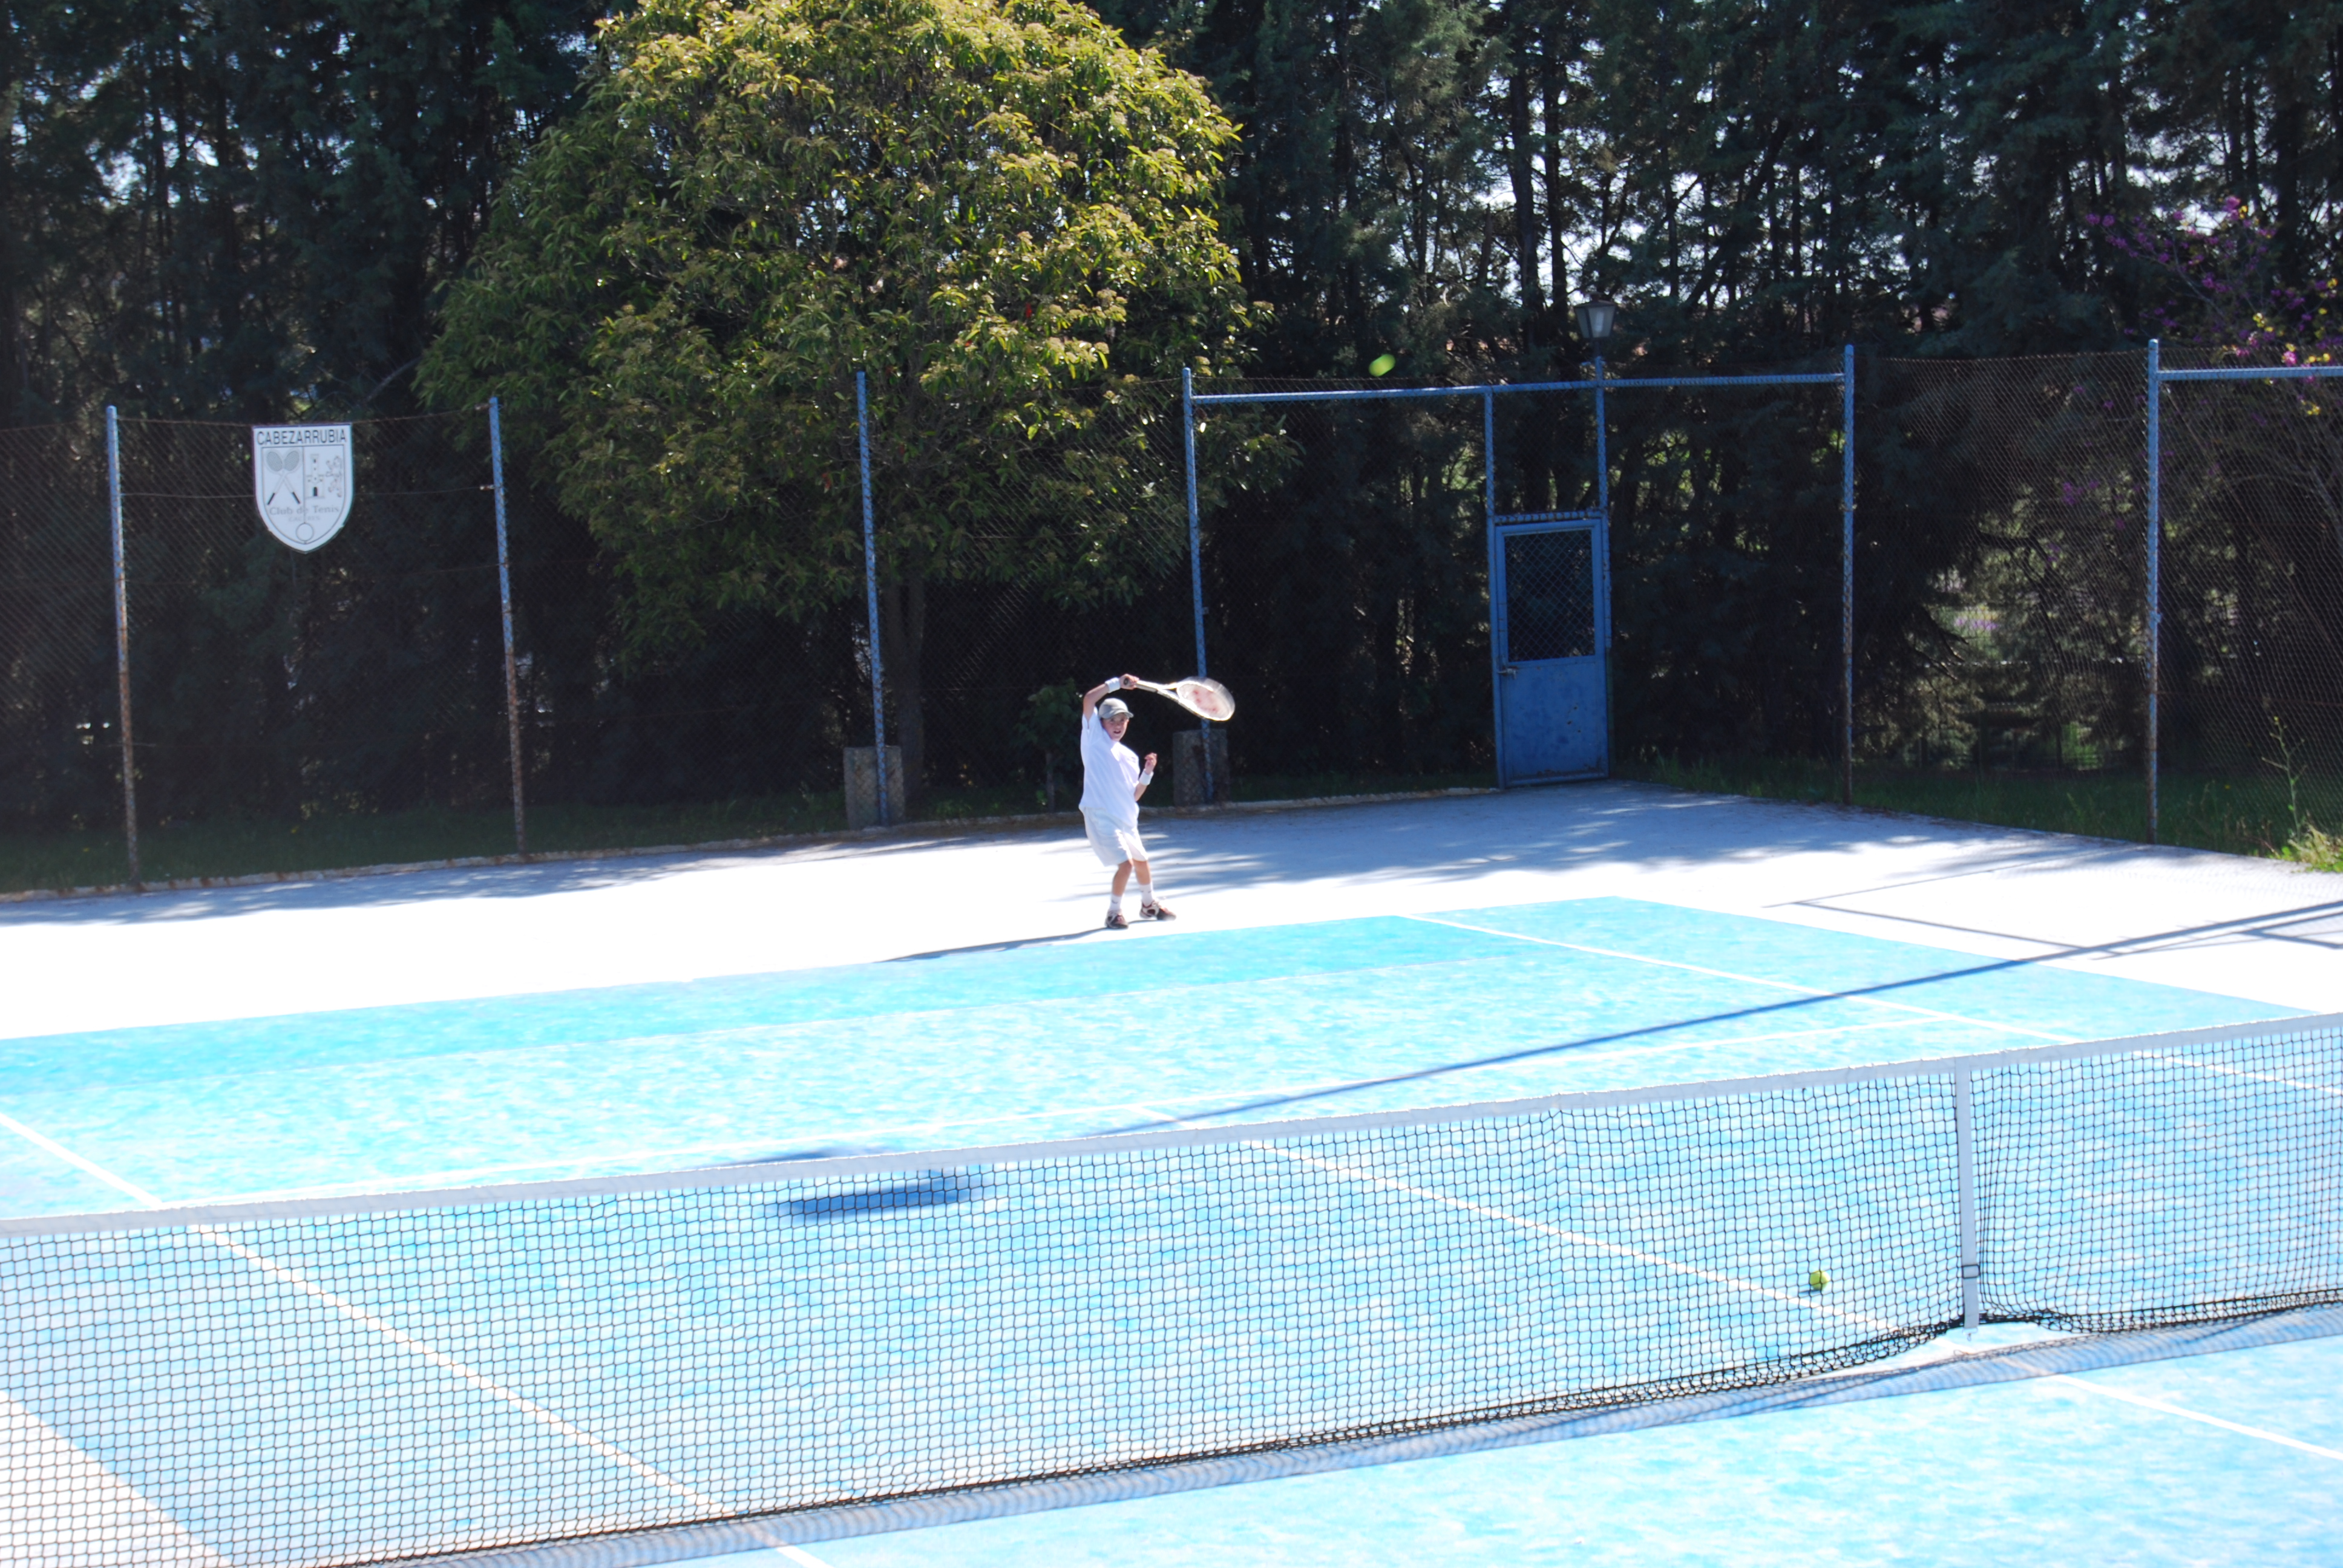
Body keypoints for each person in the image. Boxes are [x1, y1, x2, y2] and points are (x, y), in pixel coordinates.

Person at [1079, 674, 1173, 929]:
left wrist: (1148, 773)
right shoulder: (1093, 738)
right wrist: (1117, 684)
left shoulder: (1130, 757)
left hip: (1126, 818)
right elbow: (1089, 699)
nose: (1118, 725)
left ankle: (1149, 905)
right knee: (1126, 865)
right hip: (1101, 816)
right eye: (1112, 720)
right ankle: (1113, 913)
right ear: (1101, 723)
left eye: (1122, 720)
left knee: (1142, 862)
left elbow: (1134, 795)